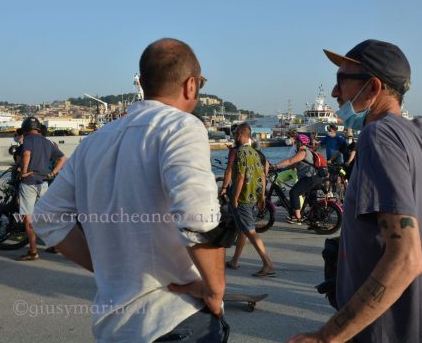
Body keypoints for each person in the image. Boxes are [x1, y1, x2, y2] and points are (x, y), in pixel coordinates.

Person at [287, 39, 422, 343]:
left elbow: (406, 259)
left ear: (372, 87)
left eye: (341, 81)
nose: (334, 92)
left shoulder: (378, 137)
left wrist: (325, 337)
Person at [32, 38, 229, 343]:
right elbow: (197, 217)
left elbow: (46, 218)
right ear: (190, 85)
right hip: (174, 317)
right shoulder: (182, 127)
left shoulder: (93, 142)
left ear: (144, 83)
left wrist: (108, 267)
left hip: (113, 326)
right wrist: (215, 290)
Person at [225, 123, 275, 277]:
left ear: (241, 134)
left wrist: (234, 198)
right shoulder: (255, 153)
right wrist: (262, 197)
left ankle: (267, 263)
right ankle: (234, 260)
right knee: (243, 229)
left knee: (250, 231)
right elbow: (262, 176)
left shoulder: (240, 152)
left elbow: (240, 177)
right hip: (253, 196)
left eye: (235, 134)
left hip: (243, 198)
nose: (234, 136)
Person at [15, 116, 67, 261]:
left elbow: (26, 154)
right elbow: (62, 158)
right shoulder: (47, 141)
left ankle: (33, 251)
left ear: (25, 129)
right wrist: (53, 172)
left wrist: (24, 171)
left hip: (29, 182)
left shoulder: (28, 140)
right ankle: (55, 245)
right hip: (43, 182)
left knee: (28, 218)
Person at [273, 133, 324, 224]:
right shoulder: (305, 151)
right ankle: (316, 218)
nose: (295, 143)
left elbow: (290, 161)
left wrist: (276, 165)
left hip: (310, 178)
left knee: (294, 192)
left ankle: (297, 217)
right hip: (315, 177)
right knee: (311, 200)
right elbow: (293, 164)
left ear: (300, 143)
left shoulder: (303, 152)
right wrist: (280, 169)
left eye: (296, 142)